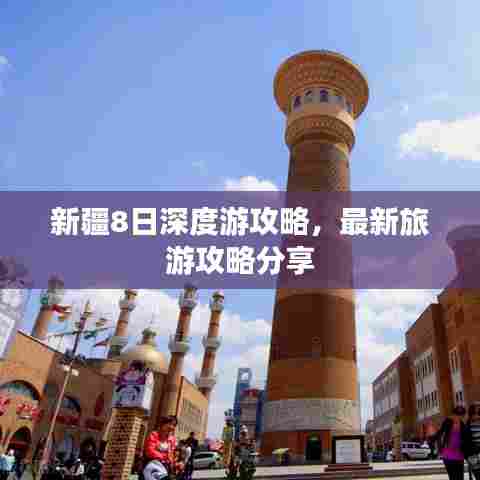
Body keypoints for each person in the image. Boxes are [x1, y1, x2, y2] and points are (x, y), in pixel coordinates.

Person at [431, 405, 471, 480]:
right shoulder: (447, 422)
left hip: (459, 454)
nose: (458, 417)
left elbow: (466, 438)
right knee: (452, 477)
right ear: (453, 414)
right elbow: (440, 432)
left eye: (461, 415)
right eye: (457, 415)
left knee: (460, 477)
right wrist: (432, 439)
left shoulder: (463, 424)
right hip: (448, 454)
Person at [143, 416, 183, 480]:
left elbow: (171, 457)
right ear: (163, 424)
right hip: (151, 467)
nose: (172, 427)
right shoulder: (154, 435)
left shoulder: (172, 439)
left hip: (165, 469)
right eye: (170, 424)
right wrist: (164, 457)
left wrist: (176, 464)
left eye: (174, 425)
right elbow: (150, 451)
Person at [467, 402, 480, 480]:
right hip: (473, 453)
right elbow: (466, 439)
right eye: (477, 407)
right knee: (477, 474)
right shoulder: (468, 423)